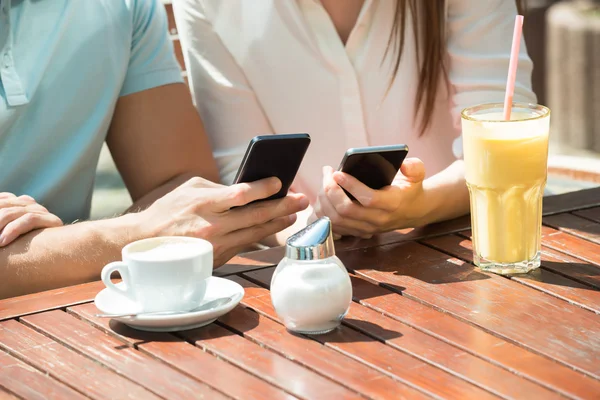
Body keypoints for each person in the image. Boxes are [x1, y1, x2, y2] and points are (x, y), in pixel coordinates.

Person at [0, 0, 308, 299]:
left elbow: (180, 186)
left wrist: (67, 249)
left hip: (68, 303)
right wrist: (131, 236)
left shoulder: (126, 6)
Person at [174, 0, 536, 241]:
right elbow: (240, 183)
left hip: (473, 244)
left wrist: (422, 203)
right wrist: (315, 231)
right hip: (316, 275)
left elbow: (505, 149)